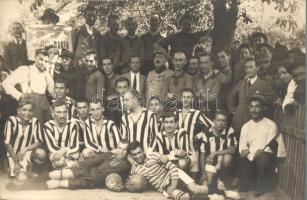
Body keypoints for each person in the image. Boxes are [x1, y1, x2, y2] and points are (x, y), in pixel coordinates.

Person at [6, 141, 131, 191]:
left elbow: (122, 178)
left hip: (89, 181)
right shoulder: (109, 154)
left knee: (55, 183)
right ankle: (23, 183)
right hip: (86, 170)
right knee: (55, 174)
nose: (120, 151)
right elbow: (93, 161)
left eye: (124, 150)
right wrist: (76, 164)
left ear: (128, 152)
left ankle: (22, 188)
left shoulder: (126, 165)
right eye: (119, 148)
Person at [238, 93, 285, 196]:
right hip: (251, 157)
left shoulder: (271, 125)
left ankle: (260, 186)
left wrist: (259, 152)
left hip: (265, 158)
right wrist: (247, 152)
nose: (254, 110)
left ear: (263, 108)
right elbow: (242, 147)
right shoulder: (246, 126)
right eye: (252, 107)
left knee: (263, 158)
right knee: (243, 187)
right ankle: (250, 180)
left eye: (257, 106)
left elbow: (270, 146)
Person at [127, 141, 209, 199]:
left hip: (174, 176)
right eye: (134, 154)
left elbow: (172, 167)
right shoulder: (135, 169)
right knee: (183, 197)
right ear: (130, 156)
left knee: (198, 190)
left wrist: (173, 185)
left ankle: (211, 190)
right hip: (164, 187)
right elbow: (132, 184)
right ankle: (208, 198)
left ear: (143, 151)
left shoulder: (153, 156)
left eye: (139, 152)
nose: (137, 156)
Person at [3, 48, 55, 123]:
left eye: (46, 61)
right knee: (31, 129)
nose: (43, 63)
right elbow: (6, 83)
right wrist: (19, 95)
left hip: (44, 104)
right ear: (35, 57)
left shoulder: (46, 74)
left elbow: (53, 92)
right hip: (30, 104)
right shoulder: (24, 69)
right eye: (41, 59)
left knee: (46, 129)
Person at [227, 58, 275, 133]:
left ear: (257, 68)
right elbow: (230, 97)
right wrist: (233, 111)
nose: (248, 70)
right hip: (238, 121)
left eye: (251, 67)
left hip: (255, 122)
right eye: (246, 67)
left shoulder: (264, 84)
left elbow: (269, 101)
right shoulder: (241, 83)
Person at [175, 88, 213, 180]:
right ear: (180, 99)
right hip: (179, 151)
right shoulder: (176, 113)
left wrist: (198, 136)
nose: (185, 99)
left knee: (193, 179)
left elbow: (211, 126)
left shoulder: (196, 113)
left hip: (192, 150)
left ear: (192, 99)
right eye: (183, 97)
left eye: (188, 97)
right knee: (181, 173)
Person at [4, 98, 46, 178]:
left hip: (26, 153)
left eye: (30, 110)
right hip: (13, 154)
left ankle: (28, 168)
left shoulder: (35, 121)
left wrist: (26, 149)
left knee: (41, 153)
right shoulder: (11, 121)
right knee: (21, 178)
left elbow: (39, 141)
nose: (27, 113)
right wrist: (16, 162)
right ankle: (18, 169)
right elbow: (7, 143)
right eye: (24, 110)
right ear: (18, 111)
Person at [198, 111, 237, 191]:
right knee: (207, 185)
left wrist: (215, 153)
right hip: (211, 163)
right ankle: (215, 182)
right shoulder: (207, 132)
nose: (220, 123)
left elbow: (232, 150)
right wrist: (203, 173)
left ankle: (223, 179)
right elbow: (202, 153)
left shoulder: (229, 130)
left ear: (226, 122)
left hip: (223, 164)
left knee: (227, 158)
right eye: (218, 120)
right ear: (213, 121)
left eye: (223, 121)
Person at [43, 100, 80, 169]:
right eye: (58, 112)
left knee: (78, 158)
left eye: (64, 112)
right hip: (56, 154)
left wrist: (64, 150)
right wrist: (63, 152)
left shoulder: (72, 125)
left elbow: (75, 146)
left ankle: (64, 172)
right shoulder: (48, 126)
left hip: (70, 153)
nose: (62, 115)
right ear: (53, 113)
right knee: (59, 162)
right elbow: (52, 147)